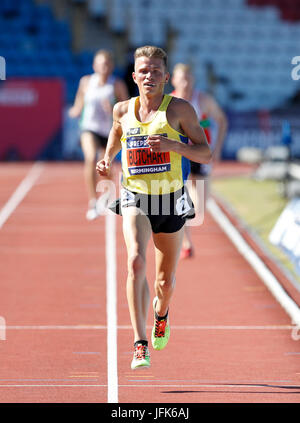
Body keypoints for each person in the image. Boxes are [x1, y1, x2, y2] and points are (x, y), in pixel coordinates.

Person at [96, 46, 211, 370]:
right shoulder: (122, 109)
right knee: (134, 261)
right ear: (134, 76)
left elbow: (206, 153)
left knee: (165, 282)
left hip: (171, 200)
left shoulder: (180, 110)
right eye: (143, 71)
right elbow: (116, 137)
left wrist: (174, 145)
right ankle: (139, 343)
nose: (149, 76)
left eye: (156, 71)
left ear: (164, 76)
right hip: (135, 196)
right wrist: (107, 160)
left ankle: (162, 315)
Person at [171, 63, 228, 258]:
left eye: (188, 78)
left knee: (200, 207)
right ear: (173, 80)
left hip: (202, 154)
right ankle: (186, 241)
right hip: (179, 155)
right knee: (181, 198)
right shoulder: (169, 102)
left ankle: (186, 227)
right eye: (181, 78)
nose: (185, 82)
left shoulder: (203, 100)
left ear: (193, 80)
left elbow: (221, 120)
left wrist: (218, 148)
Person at [69, 49, 128, 220]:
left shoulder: (116, 84)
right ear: (95, 65)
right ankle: (92, 201)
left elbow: (126, 110)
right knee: (90, 157)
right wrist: (75, 110)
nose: (104, 67)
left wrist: (112, 110)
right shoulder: (86, 82)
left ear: (112, 66)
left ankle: (106, 194)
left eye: (108, 63)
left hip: (109, 131)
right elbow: (79, 102)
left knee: (106, 166)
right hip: (89, 128)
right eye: (101, 63)